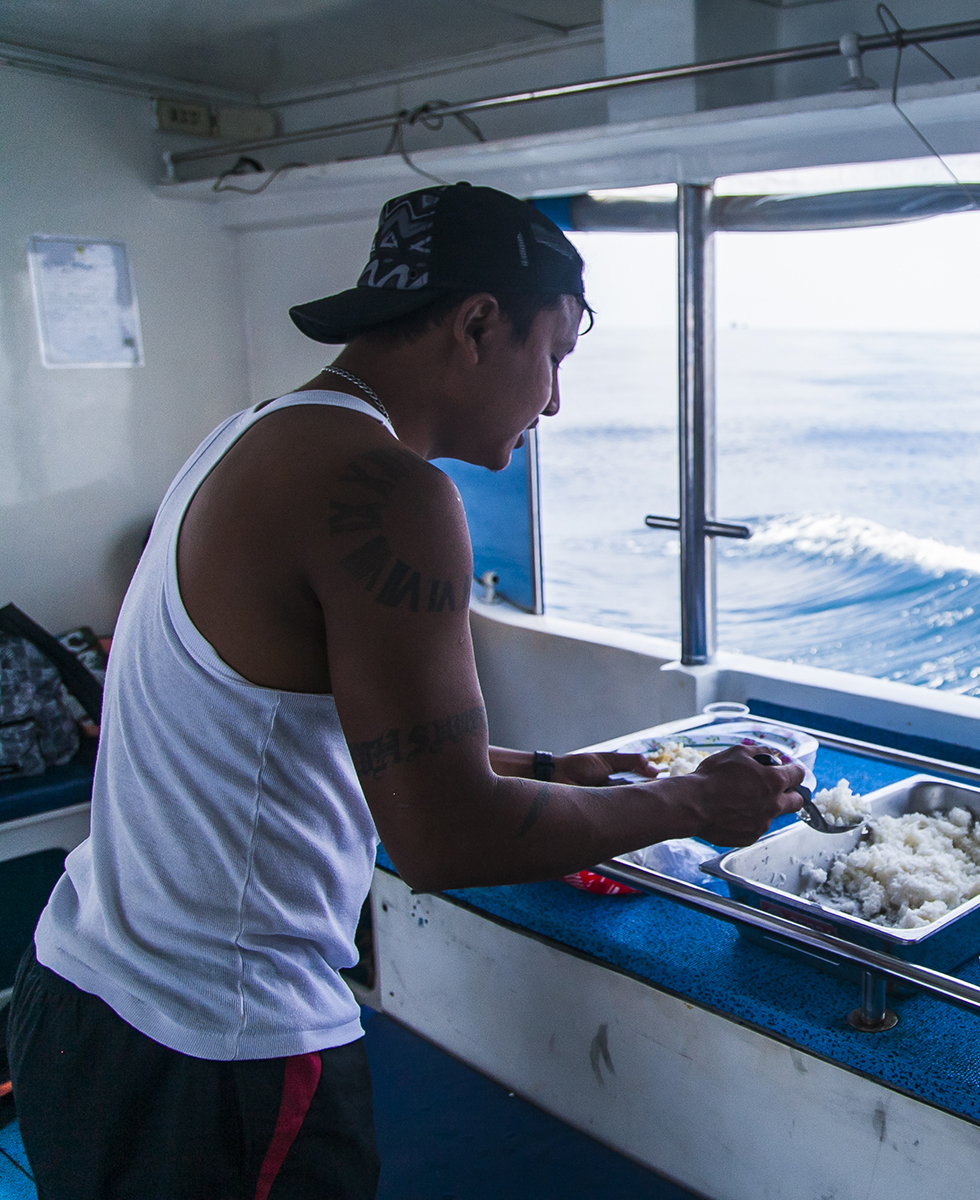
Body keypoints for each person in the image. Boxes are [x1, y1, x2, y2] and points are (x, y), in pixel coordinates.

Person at [9, 182, 804, 1199]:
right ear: (477, 325)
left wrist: (562, 769)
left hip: (83, 994)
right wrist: (696, 802)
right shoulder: (391, 491)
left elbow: (310, 733)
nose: (554, 402)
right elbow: (445, 838)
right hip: (215, 1052)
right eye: (552, 357)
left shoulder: (257, 434)